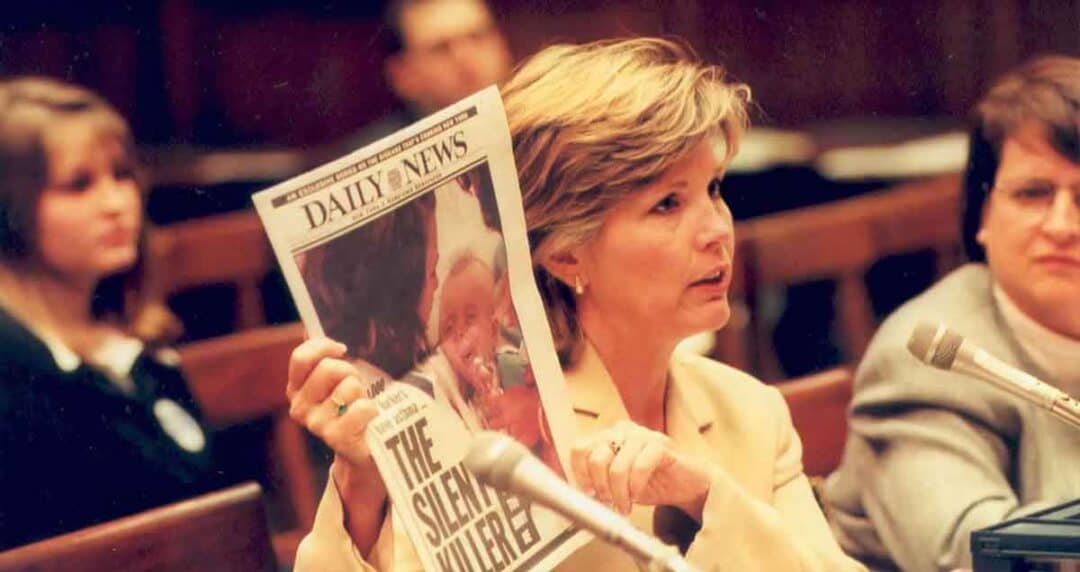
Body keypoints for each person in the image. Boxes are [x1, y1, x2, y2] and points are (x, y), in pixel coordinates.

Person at [286, 38, 864, 571]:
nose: (717, 230)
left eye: (713, 188)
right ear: (565, 256)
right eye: (667, 204)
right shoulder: (499, 431)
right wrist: (362, 487)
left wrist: (703, 494)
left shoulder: (749, 412)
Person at [824, 55, 1080, 572]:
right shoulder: (927, 363)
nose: (1061, 225)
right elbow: (972, 557)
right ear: (982, 215)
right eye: (1033, 193)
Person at [0, 77, 224, 549]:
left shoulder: (133, 350)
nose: (116, 204)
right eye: (79, 185)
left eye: (122, 175)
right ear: (9, 208)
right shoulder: (19, 374)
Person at [338, 0, 512, 151]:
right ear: (402, 75)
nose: (467, 58)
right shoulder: (371, 150)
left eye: (477, 36)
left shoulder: (534, 126)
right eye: (441, 48)